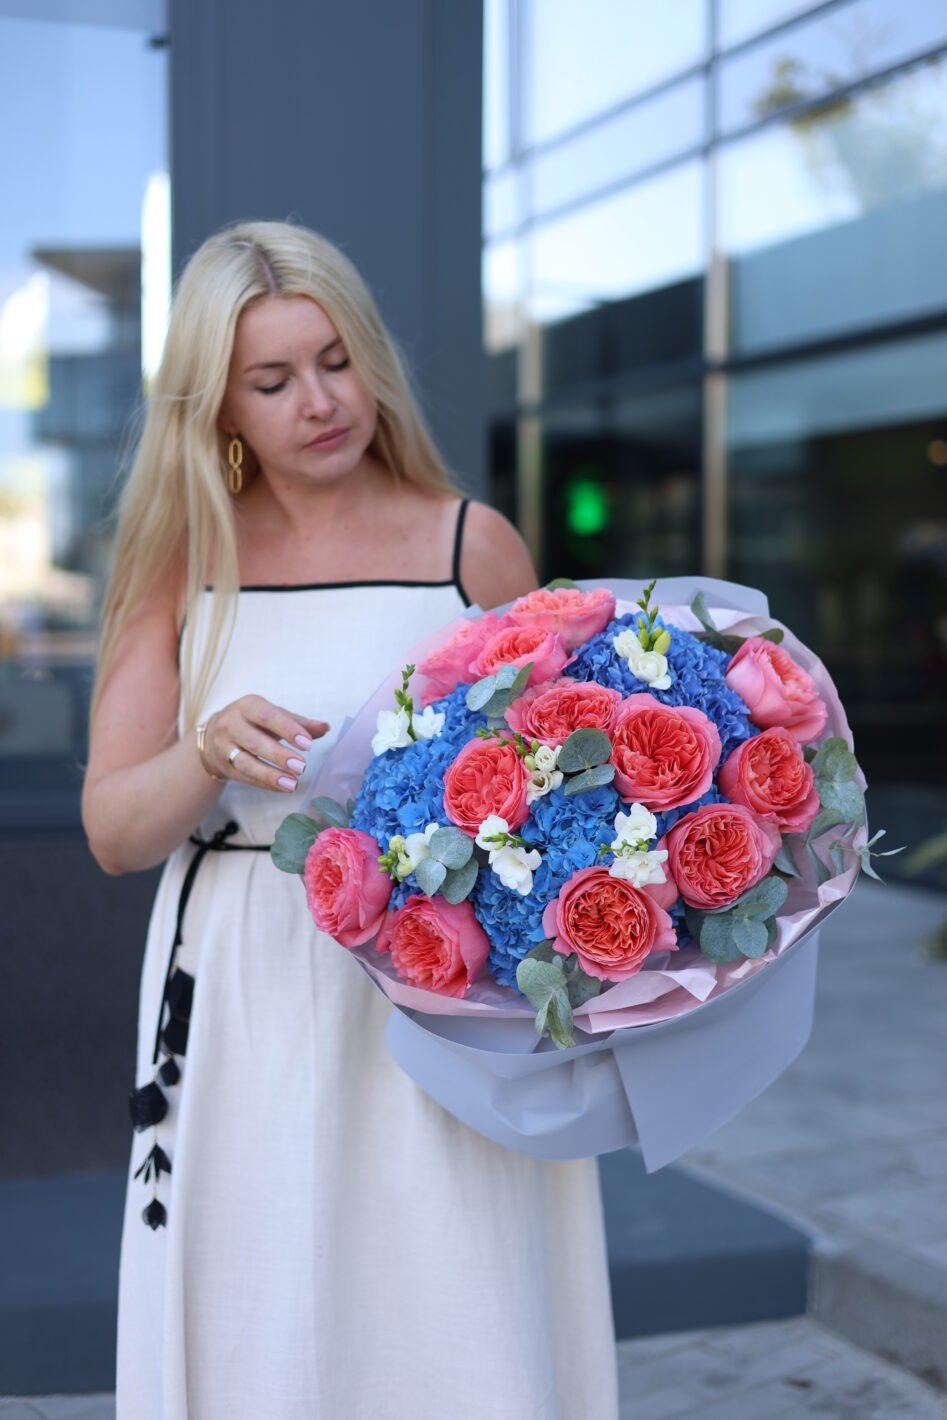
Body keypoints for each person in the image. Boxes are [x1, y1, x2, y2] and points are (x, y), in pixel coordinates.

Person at [82, 220, 619, 1419]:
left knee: (456, 1282)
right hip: (250, 979)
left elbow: (569, 794)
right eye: (272, 380)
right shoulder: (180, 561)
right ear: (218, 405)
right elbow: (114, 832)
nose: (320, 402)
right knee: (265, 1294)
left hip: (443, 976)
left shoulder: (469, 544)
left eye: (336, 361)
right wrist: (205, 751)